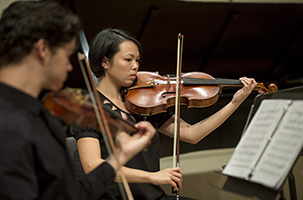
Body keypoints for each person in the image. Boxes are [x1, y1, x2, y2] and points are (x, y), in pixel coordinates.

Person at [72, 28, 257, 200]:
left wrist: (235, 103)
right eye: (128, 60)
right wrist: (152, 177)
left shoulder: (144, 102)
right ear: (105, 62)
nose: (135, 66)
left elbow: (192, 134)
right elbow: (92, 166)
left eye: (137, 60)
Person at [0, 2, 156, 200]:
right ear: (43, 49)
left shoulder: (40, 115)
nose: (69, 67)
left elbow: (72, 194)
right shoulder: (9, 125)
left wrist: (119, 158)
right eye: (66, 55)